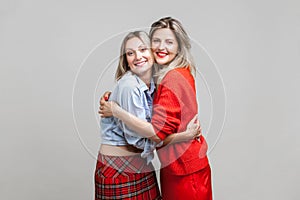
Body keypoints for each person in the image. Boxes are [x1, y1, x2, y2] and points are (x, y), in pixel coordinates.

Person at [99, 17, 213, 200]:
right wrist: (113, 98)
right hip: (173, 164)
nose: (162, 47)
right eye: (156, 41)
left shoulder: (171, 78)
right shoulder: (171, 74)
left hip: (182, 167)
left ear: (179, 47)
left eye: (169, 42)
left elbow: (154, 132)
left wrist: (116, 110)